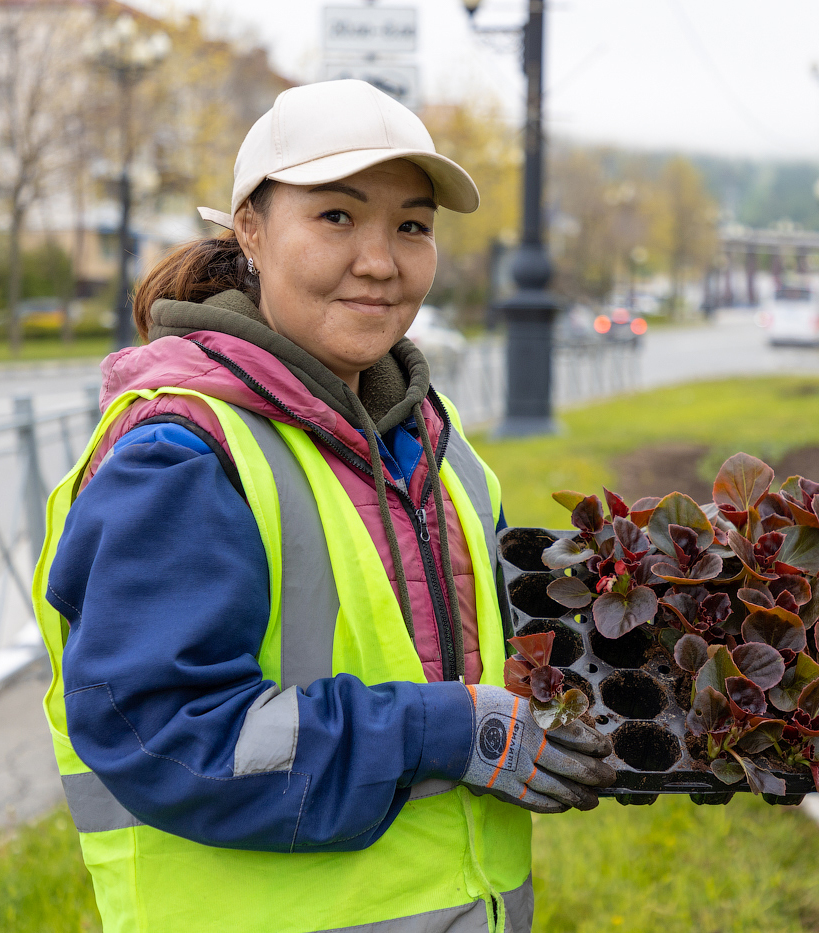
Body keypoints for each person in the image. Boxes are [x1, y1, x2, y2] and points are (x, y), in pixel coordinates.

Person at [33, 80, 615, 933]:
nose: (380, 261)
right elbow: (163, 733)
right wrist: (445, 732)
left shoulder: (437, 450)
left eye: (412, 226)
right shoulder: (183, 455)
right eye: (337, 217)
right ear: (251, 232)